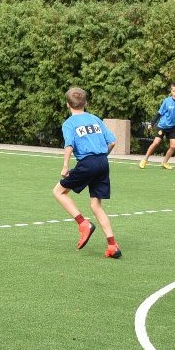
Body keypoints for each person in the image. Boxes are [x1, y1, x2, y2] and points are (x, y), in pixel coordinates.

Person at [54, 87, 121, 259]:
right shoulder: (95, 119)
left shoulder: (69, 123)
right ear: (86, 103)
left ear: (67, 104)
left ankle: (83, 224)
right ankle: (112, 245)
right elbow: (112, 142)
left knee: (59, 192)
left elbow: (69, 144)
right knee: (96, 205)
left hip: (88, 163)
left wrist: (65, 166)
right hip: (103, 162)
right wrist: (101, 157)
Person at [139, 82, 175, 170]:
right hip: (162, 126)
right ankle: (144, 160)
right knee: (156, 142)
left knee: (174, 146)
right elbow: (159, 113)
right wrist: (151, 123)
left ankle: (164, 162)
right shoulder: (167, 101)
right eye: (173, 91)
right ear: (171, 91)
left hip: (172, 127)